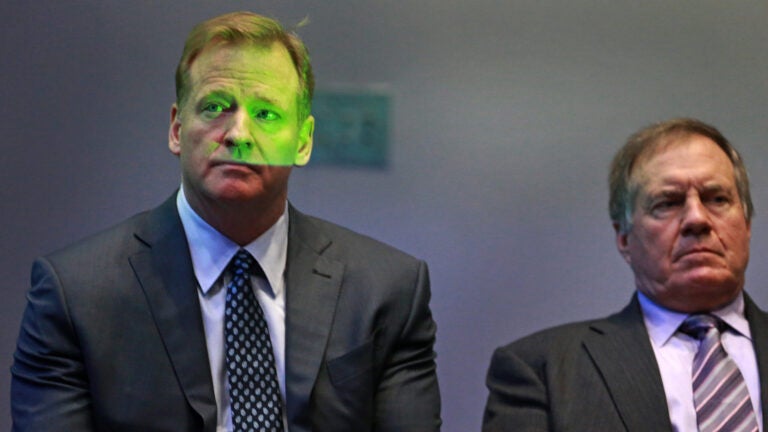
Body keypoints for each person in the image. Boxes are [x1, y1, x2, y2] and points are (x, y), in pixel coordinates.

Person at [11, 11, 441, 432]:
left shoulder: (386, 290)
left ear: (304, 141)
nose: (238, 133)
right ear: (177, 129)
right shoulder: (77, 294)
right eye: (215, 106)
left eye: (266, 114)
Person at [483, 118, 768, 431]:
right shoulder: (542, 370)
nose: (697, 219)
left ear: (747, 224)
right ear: (624, 238)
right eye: (668, 202)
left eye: (717, 199)